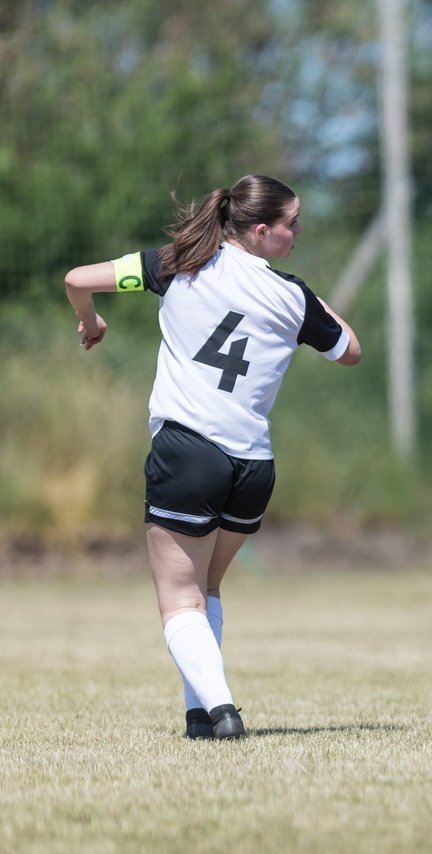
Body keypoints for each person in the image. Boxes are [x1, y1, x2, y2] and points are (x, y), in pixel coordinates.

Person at [64, 174, 361, 740]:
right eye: (291, 224)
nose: (297, 233)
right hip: (252, 466)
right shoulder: (293, 295)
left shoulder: (178, 261)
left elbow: (79, 279)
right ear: (260, 230)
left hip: (188, 452)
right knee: (207, 592)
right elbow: (349, 350)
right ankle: (199, 715)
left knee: (179, 598)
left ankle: (222, 710)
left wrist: (90, 320)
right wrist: (309, 297)